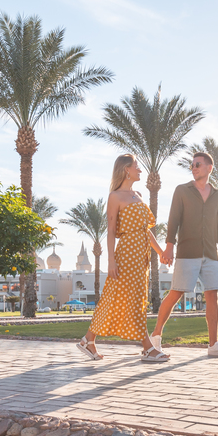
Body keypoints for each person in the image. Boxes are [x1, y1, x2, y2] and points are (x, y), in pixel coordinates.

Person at [76, 153, 170, 362]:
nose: (140, 170)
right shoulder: (115, 197)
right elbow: (110, 231)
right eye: (136, 166)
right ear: (126, 169)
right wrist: (111, 260)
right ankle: (148, 348)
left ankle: (88, 340)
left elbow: (146, 230)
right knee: (133, 300)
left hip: (141, 257)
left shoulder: (138, 195)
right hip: (126, 255)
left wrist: (160, 252)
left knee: (117, 297)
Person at [150, 152, 218, 358]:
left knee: (212, 294)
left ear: (209, 168)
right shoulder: (182, 190)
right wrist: (169, 247)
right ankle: (156, 336)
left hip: (211, 253)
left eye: (197, 164)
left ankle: (213, 345)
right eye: (192, 165)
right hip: (187, 252)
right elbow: (174, 220)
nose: (193, 168)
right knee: (176, 293)